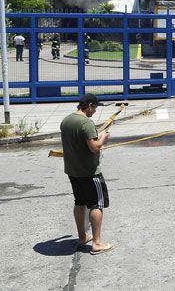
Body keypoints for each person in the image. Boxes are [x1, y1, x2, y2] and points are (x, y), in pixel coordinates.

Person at [60, 93, 114, 255]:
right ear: (89, 106)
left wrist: (95, 132)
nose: (95, 111)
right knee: (97, 204)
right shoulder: (86, 123)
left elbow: (79, 138)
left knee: (79, 202)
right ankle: (97, 243)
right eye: (95, 108)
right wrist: (103, 138)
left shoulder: (67, 120)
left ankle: (83, 236)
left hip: (73, 170)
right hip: (89, 172)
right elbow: (94, 147)